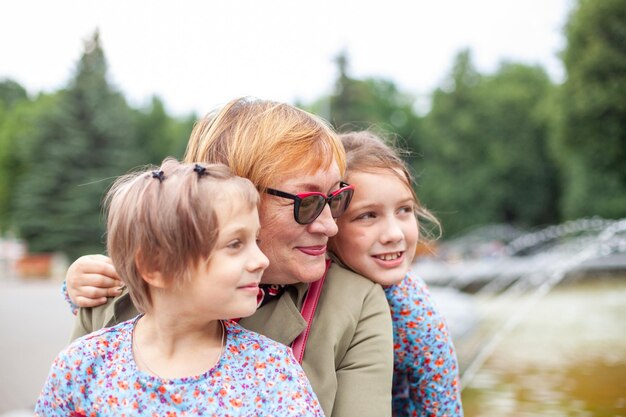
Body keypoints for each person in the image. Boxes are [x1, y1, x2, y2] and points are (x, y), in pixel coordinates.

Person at [62, 98, 394, 417]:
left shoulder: (353, 303)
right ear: (233, 194)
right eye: (307, 203)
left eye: (336, 198)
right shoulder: (111, 297)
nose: (330, 225)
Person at [36, 159, 324, 416]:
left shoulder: (271, 371)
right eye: (235, 244)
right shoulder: (82, 366)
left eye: (255, 241)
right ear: (155, 267)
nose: (260, 260)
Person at [328, 131, 464, 416]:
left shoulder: (415, 315)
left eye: (404, 210)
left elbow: (443, 408)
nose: (394, 233)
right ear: (327, 220)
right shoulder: (298, 286)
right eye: (368, 215)